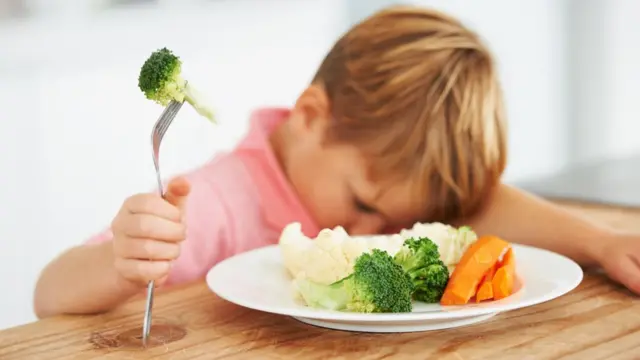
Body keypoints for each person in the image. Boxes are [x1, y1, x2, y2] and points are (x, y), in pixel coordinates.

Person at [33, 5, 640, 318]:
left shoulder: (378, 182)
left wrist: (600, 242)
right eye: (365, 206)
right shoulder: (218, 201)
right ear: (313, 115)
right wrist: (120, 264)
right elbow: (49, 295)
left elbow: (481, 203)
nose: (379, 234)